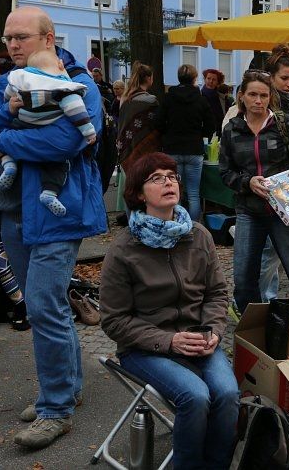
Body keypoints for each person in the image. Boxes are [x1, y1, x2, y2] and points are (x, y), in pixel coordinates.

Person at [0, 6, 105, 448]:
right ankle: (65, 388)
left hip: (58, 213)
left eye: (21, 38)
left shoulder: (80, 85)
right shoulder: (8, 81)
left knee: (45, 306)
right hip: (13, 213)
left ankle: (56, 408)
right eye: (8, 39)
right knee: (42, 305)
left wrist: (5, 139)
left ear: (47, 38)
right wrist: (2, 126)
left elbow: (65, 141)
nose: (11, 46)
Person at [100, 152, 239, 470]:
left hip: (199, 339)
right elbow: (114, 320)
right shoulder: (124, 250)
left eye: (172, 176)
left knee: (229, 394)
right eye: (157, 178)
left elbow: (217, 294)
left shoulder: (198, 235)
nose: (169, 182)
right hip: (145, 348)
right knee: (195, 396)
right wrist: (169, 341)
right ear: (138, 193)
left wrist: (214, 331)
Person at [219, 72, 289, 314]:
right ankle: (254, 322)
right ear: (241, 97)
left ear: (270, 98)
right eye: (252, 94)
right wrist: (247, 182)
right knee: (244, 273)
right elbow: (225, 171)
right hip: (249, 210)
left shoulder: (284, 124)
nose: (258, 100)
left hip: (285, 211)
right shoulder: (232, 130)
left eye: (263, 95)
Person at [0, 49, 97, 217]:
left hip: (22, 121)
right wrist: (89, 132)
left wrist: (9, 104)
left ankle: (9, 164)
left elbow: (7, 94)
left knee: (7, 137)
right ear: (60, 64)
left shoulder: (20, 77)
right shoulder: (61, 86)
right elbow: (76, 110)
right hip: (47, 123)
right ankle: (49, 193)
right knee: (59, 163)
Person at [256, 45, 289, 301]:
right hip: (265, 182)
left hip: (283, 182)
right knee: (268, 249)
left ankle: (265, 296)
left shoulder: (288, 104)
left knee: (272, 248)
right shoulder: (264, 103)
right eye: (284, 78)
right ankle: (251, 298)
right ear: (271, 76)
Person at [156, 64, 214, 221]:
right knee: (194, 193)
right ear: (195, 79)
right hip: (194, 149)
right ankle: (194, 227)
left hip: (172, 148)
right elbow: (210, 124)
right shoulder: (201, 99)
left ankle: (178, 224)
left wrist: (167, 135)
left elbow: (159, 122)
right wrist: (201, 135)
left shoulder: (168, 98)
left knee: (175, 191)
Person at [117, 62, 159, 173]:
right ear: (148, 78)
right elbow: (156, 126)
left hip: (125, 143)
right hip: (145, 147)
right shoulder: (151, 100)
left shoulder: (125, 97)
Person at [201, 69, 227, 138]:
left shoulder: (222, 97)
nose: (211, 81)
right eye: (208, 78)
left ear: (218, 82)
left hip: (220, 132)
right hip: (204, 133)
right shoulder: (199, 96)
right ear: (204, 79)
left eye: (214, 79)